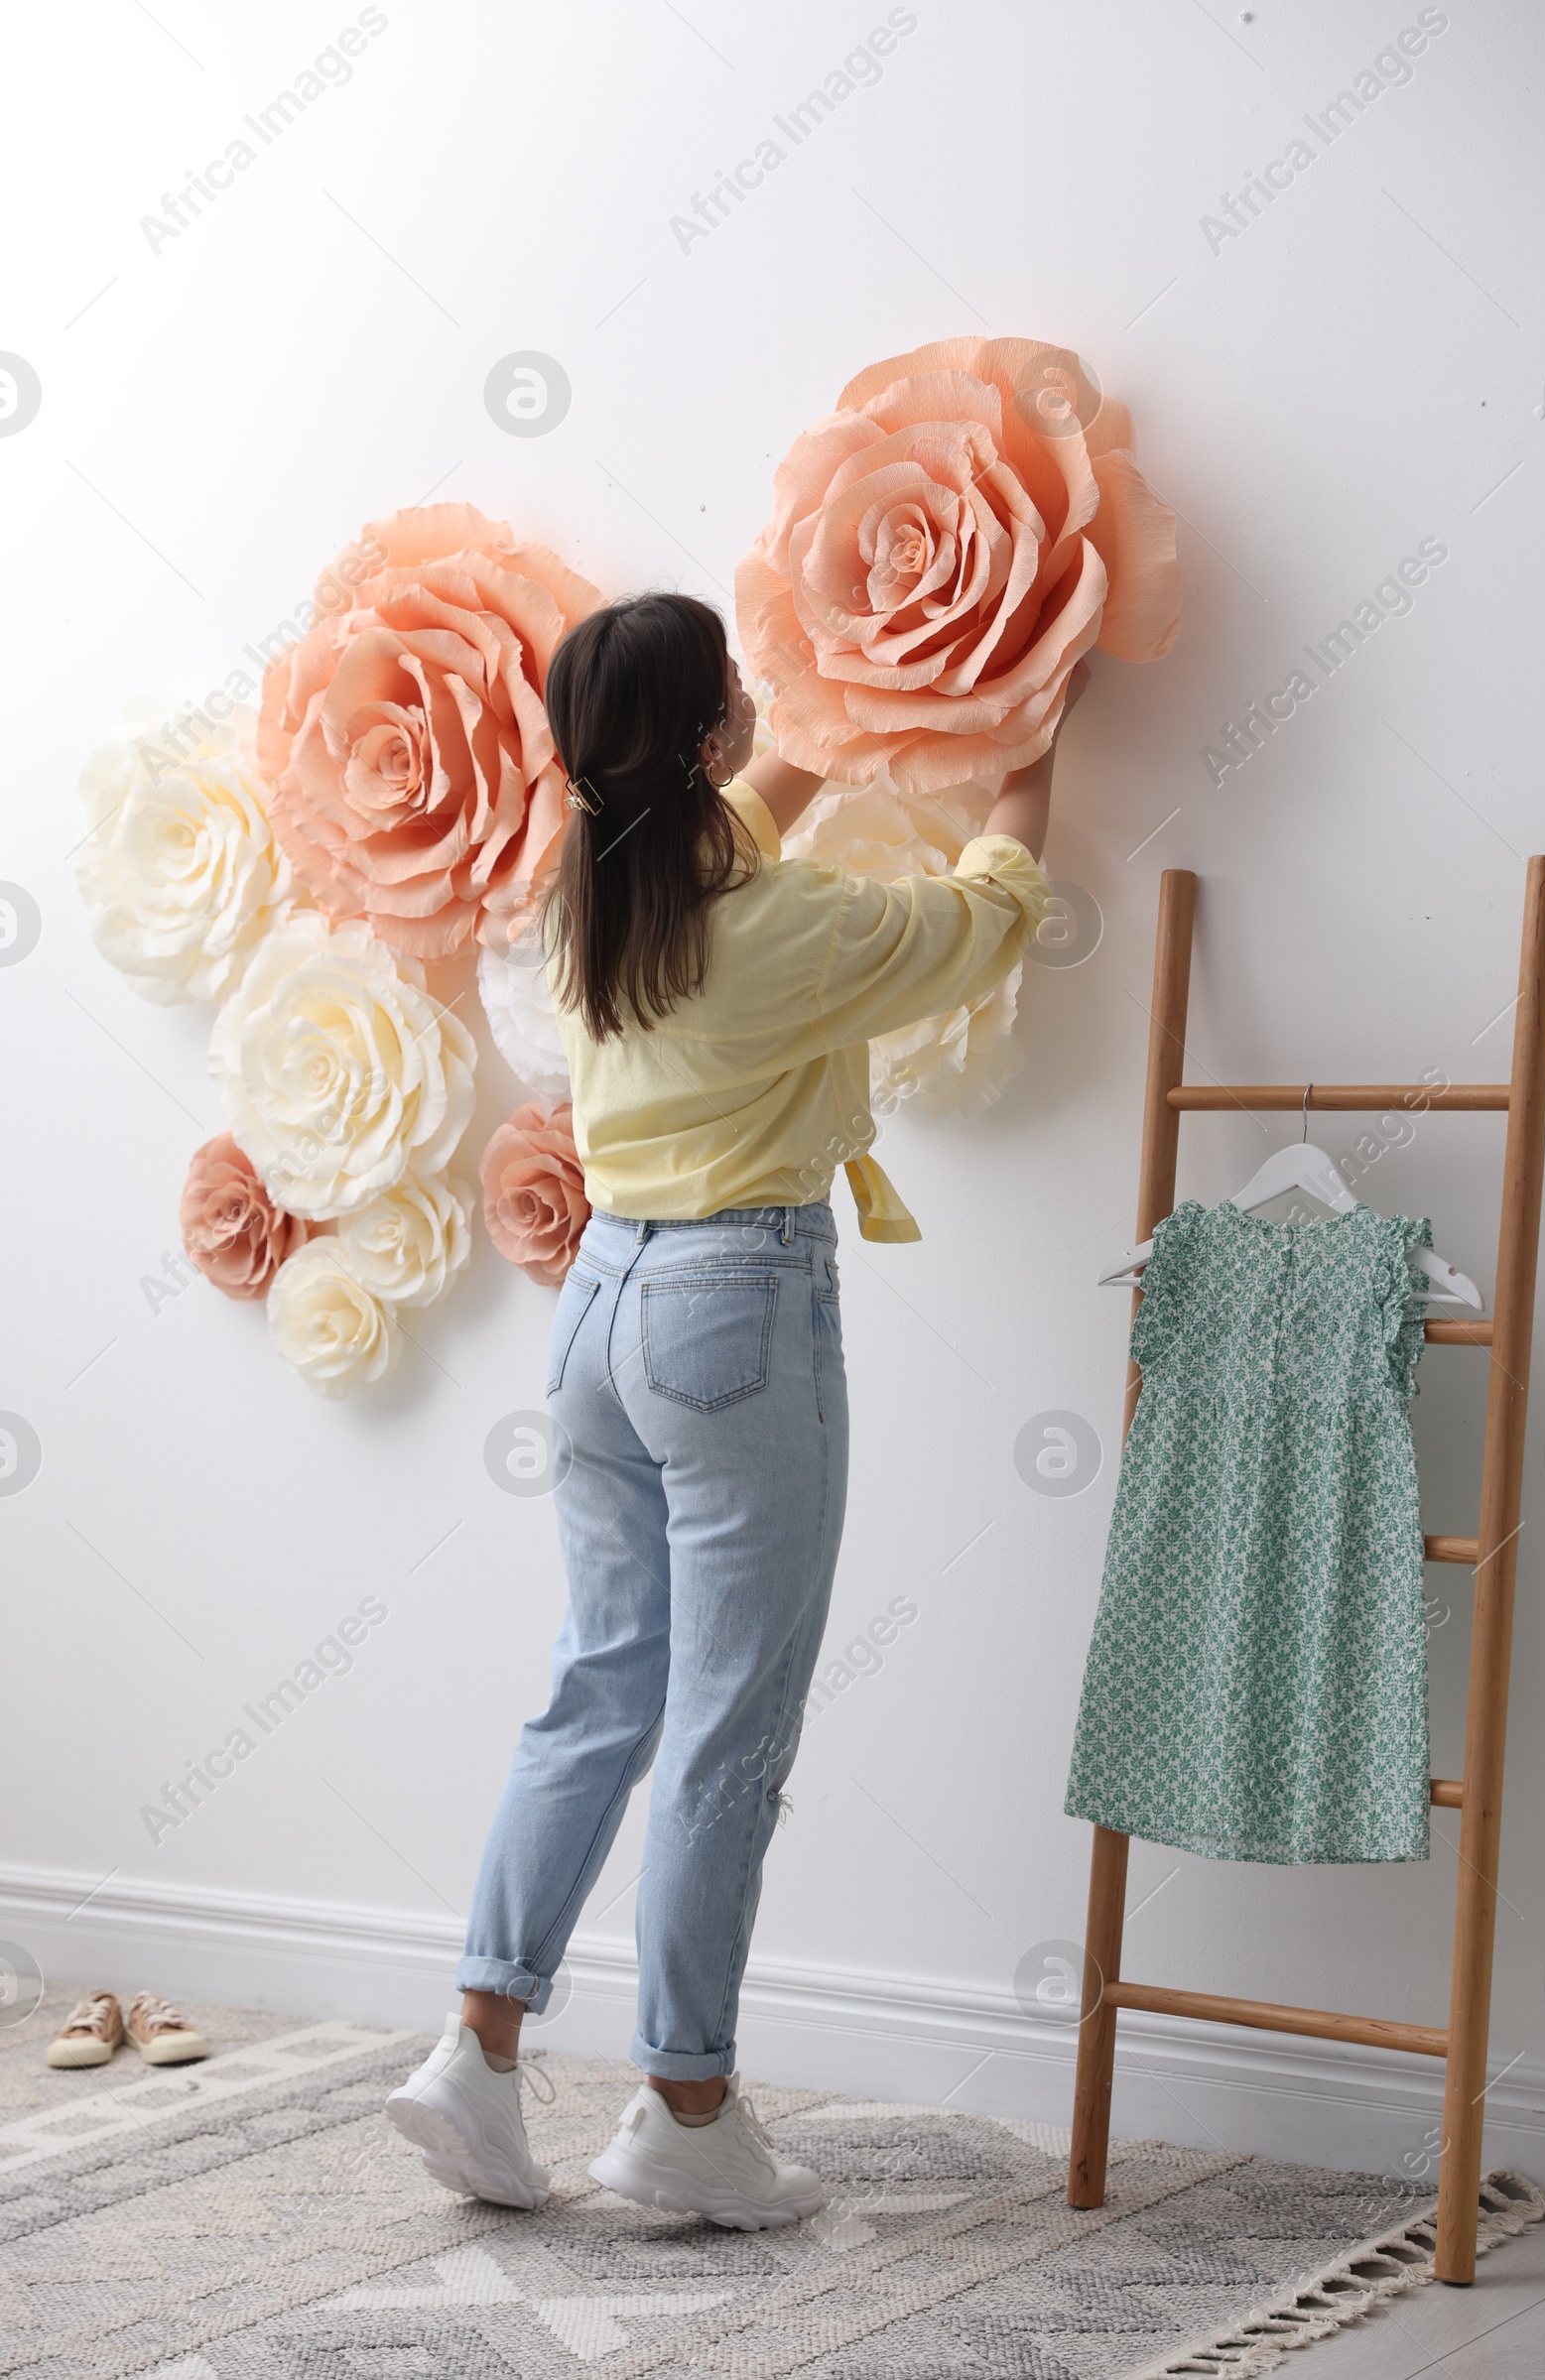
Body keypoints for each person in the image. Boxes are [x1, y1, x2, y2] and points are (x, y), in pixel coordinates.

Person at [387, 592, 1085, 2228]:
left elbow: (731, 832)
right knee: (727, 1723)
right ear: (702, 743)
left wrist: (819, 748)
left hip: (598, 1317)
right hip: (731, 1312)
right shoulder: (781, 934)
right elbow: (986, 916)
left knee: (599, 1687)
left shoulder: (592, 888)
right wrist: (1026, 757)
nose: (760, 705)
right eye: (739, 696)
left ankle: (478, 2049)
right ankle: (685, 2108)